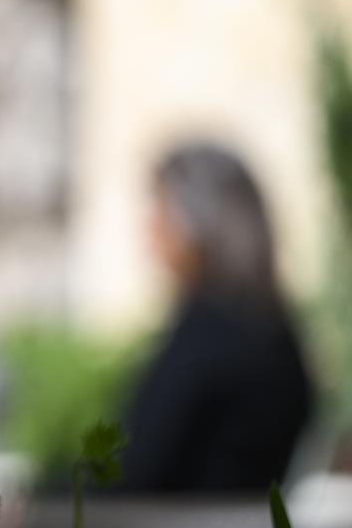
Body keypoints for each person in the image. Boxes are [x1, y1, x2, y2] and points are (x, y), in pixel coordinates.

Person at [120, 141, 315, 492]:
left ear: (197, 225)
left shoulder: (210, 333)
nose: (150, 232)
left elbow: (136, 470)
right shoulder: (273, 330)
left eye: (161, 214)